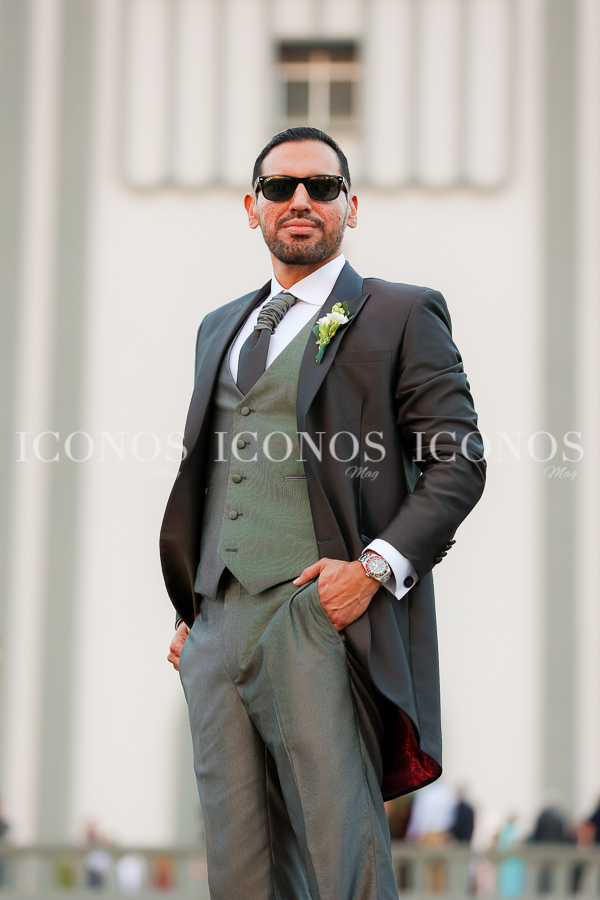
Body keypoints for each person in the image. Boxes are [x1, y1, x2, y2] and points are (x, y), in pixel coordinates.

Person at [161, 126, 486, 900]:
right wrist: (192, 609)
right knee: (239, 872)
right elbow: (215, 471)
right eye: (280, 188)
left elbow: (458, 462)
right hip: (214, 627)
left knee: (344, 860)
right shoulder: (218, 326)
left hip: (318, 615)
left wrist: (370, 571)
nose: (300, 200)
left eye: (321, 186)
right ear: (254, 208)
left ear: (350, 205)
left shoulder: (399, 312)